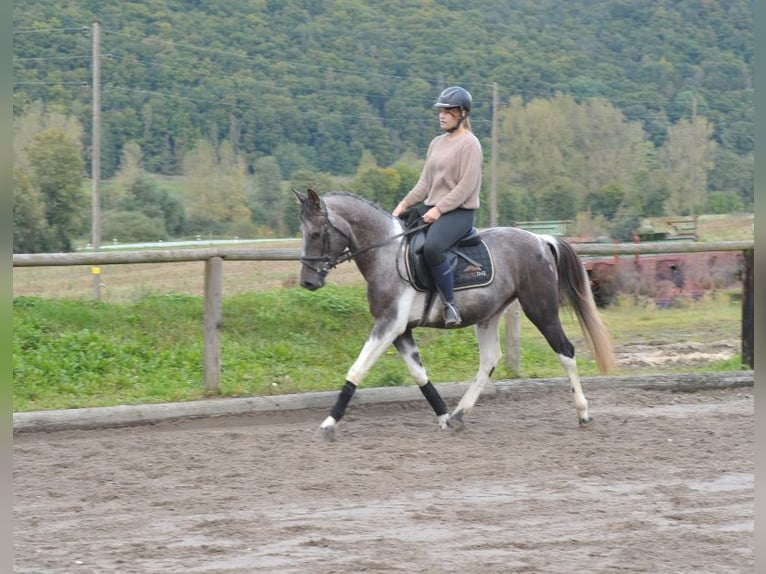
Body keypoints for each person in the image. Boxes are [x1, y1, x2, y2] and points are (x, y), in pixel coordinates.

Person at [392, 86, 483, 327]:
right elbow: (425, 183)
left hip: (459, 213)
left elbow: (466, 186)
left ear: (462, 114)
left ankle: (450, 304)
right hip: (434, 208)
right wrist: (404, 203)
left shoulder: (470, 144)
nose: (441, 115)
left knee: (432, 247)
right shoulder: (436, 143)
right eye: (440, 111)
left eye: (448, 111)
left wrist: (439, 209)